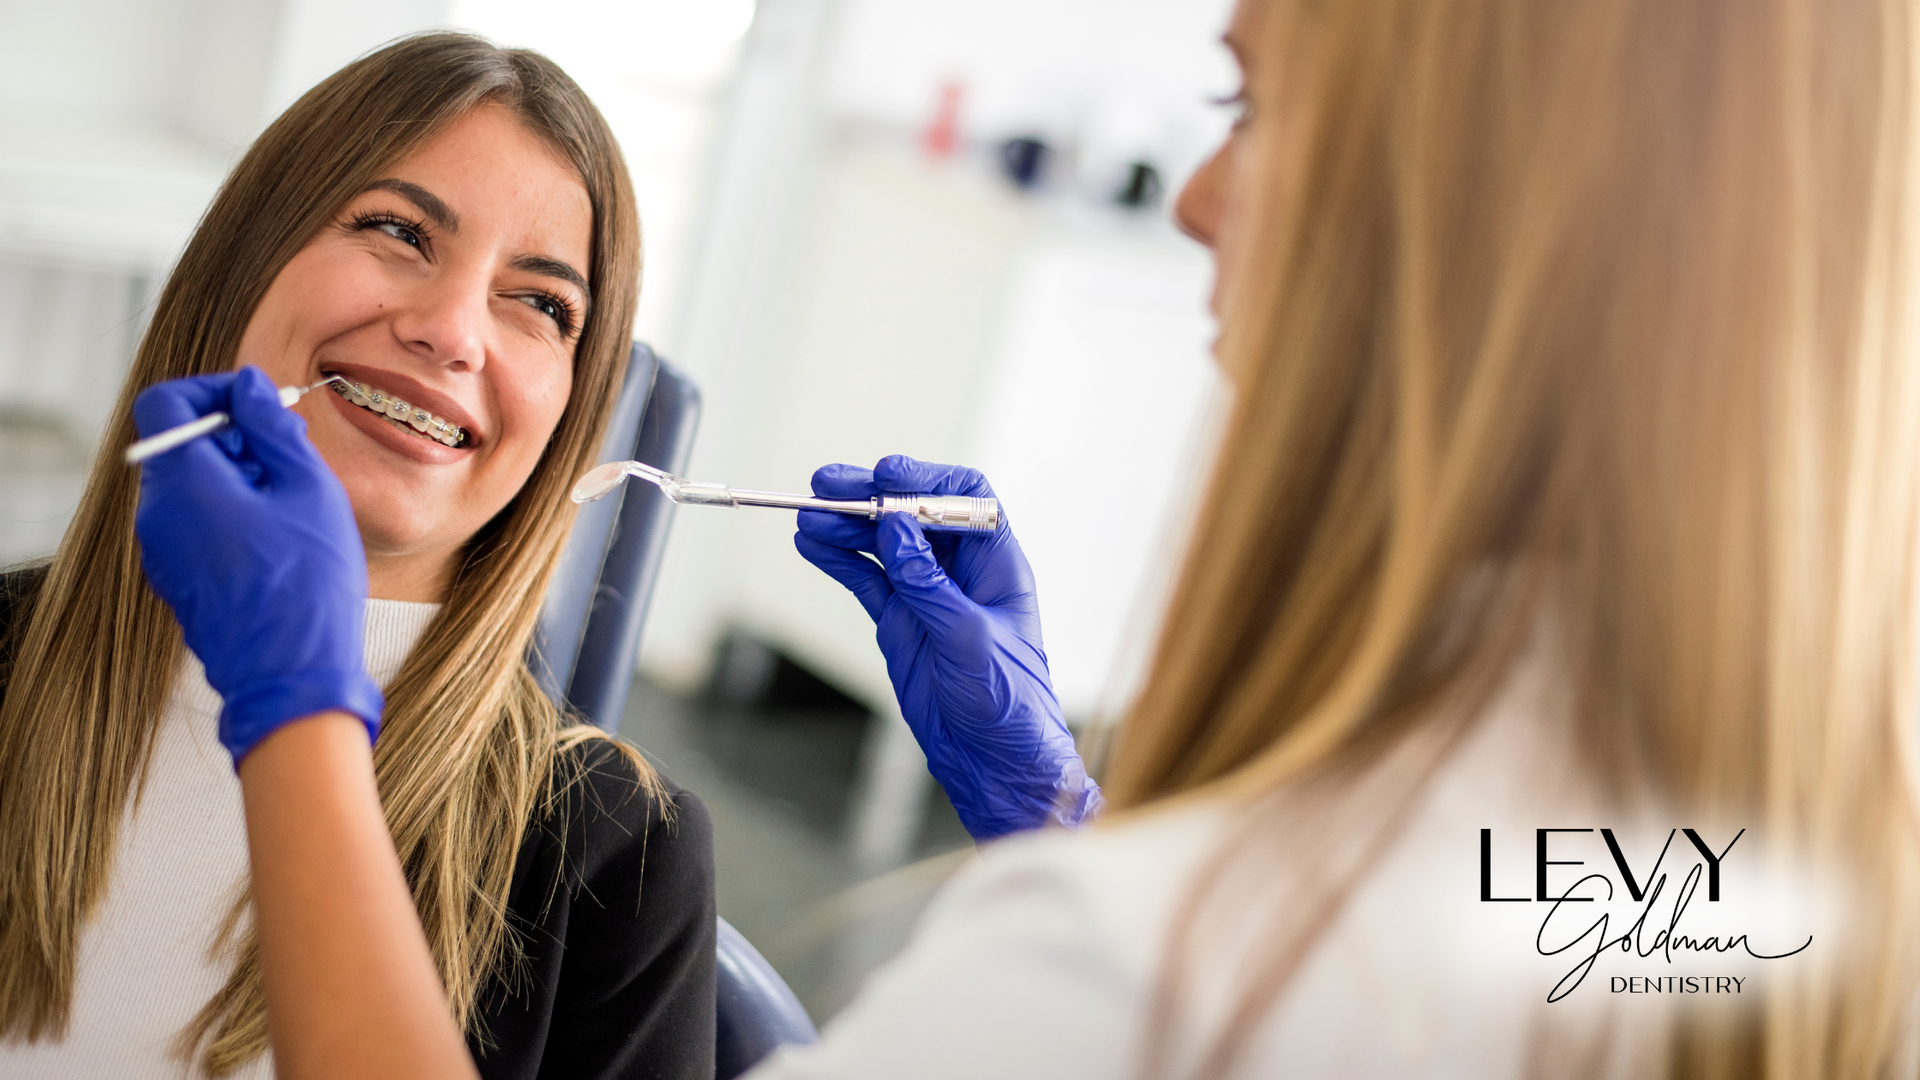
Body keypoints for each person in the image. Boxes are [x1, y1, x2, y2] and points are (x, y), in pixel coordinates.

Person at [91, 0, 1920, 1076]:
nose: (1195, 197)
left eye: (1257, 104)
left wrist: (297, 715)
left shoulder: (647, 870)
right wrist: (1068, 832)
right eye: (395, 235)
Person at [0, 34, 718, 1080]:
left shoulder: (618, 855)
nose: (452, 331)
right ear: (240, 261)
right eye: (396, 229)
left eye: (541, 303)